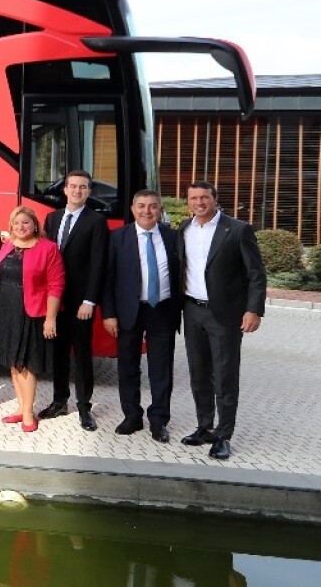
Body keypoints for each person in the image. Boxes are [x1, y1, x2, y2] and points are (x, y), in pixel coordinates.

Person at [177, 181, 267, 460]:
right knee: (199, 373)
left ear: (215, 199)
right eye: (193, 198)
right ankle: (204, 427)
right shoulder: (184, 229)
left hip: (225, 316)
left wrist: (254, 310)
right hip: (192, 311)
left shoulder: (237, 230)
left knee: (225, 377)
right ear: (188, 202)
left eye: (204, 197)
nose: (199, 202)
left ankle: (223, 435)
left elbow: (256, 274)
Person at [102, 189, 181, 443]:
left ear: (160, 210)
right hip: (129, 311)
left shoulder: (173, 237)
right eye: (142, 206)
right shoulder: (117, 238)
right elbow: (109, 277)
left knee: (161, 369)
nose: (147, 211)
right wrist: (109, 314)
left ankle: (159, 420)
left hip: (163, 310)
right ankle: (132, 416)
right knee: (127, 367)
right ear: (133, 209)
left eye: (153, 206)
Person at [39, 170, 109, 431]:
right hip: (55, 301)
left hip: (81, 303)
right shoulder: (52, 218)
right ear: (64, 190)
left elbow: (98, 265)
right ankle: (59, 402)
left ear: (89, 191)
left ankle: (84, 407)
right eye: (73, 186)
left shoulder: (96, 222)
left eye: (83, 187)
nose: (77, 191)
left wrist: (90, 300)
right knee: (57, 353)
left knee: (82, 355)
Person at [0, 206, 64, 432]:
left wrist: (51, 318)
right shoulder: (7, 246)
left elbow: (56, 285)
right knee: (13, 361)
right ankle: (21, 408)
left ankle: (29, 413)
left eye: (25, 223)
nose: (21, 227)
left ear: (35, 225)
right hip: (5, 309)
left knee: (26, 364)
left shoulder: (48, 248)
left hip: (31, 311)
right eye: (16, 223)